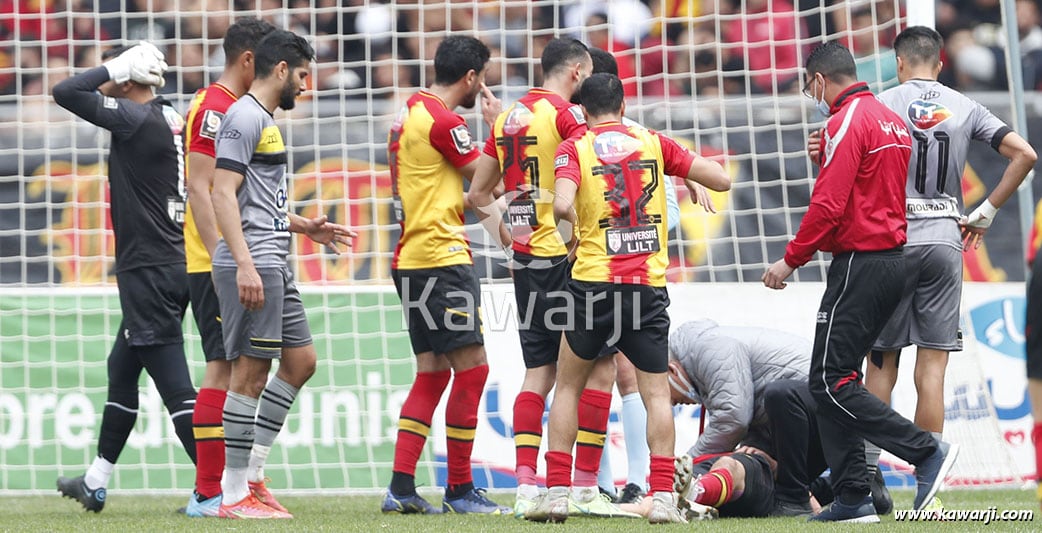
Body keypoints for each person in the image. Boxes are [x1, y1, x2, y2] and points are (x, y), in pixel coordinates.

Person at [762, 41, 955, 522]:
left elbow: (829, 205)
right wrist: (825, 156)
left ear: (820, 80)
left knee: (827, 381)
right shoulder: (889, 118)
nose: (814, 97)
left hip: (861, 263)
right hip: (892, 260)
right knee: (837, 378)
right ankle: (852, 496)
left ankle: (924, 450)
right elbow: (869, 189)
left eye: (810, 87)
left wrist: (790, 260)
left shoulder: (846, 120)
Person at [525, 72, 730, 524]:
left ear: (582, 110)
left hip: (592, 286)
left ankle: (557, 492)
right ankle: (660, 499)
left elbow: (560, 205)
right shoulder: (653, 141)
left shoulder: (573, 147)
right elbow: (720, 179)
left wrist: (572, 235)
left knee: (568, 385)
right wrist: (683, 173)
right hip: (645, 288)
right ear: (623, 104)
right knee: (656, 393)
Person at [852, 26, 1036, 487]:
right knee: (931, 368)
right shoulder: (964, 105)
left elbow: (850, 168)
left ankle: (869, 476)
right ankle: (927, 480)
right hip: (944, 240)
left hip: (893, 242)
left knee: (881, 360)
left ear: (898, 63)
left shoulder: (879, 105)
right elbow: (1025, 154)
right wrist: (987, 211)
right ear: (940, 63)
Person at [469, 38, 637, 519]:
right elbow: (599, 164)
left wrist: (507, 239)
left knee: (539, 372)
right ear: (580, 72)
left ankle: (525, 487)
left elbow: (478, 194)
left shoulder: (507, 120)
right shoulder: (566, 116)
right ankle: (584, 486)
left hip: (527, 262)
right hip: (569, 259)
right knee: (600, 369)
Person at [209, 29, 354, 520]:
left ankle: (253, 475)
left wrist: (303, 225)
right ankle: (231, 495)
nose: (307, 85)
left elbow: (256, 198)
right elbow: (221, 192)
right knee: (249, 374)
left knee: (301, 362)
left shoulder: (265, 120)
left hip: (275, 256)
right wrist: (245, 262)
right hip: (253, 263)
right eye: (303, 74)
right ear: (280, 71)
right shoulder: (243, 116)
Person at [53, 42, 197, 512]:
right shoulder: (170, 116)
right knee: (122, 369)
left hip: (148, 269)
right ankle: (95, 482)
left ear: (128, 78)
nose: (106, 84)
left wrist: (111, 67)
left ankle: (225, 487)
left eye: (114, 76)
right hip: (173, 263)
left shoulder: (132, 118)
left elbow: (66, 90)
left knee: (176, 387)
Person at [381, 35, 509, 516]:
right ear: (471, 77)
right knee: (474, 370)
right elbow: (485, 180)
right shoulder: (443, 120)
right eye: (485, 76)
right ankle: (459, 489)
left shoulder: (410, 110)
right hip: (440, 259)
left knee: (432, 374)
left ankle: (401, 487)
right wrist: (497, 130)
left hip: (412, 259)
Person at [181, 17, 276, 518]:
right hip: (212, 261)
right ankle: (207, 493)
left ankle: (221, 488)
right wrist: (227, 260)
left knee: (235, 368)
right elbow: (200, 187)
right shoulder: (216, 109)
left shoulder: (226, 108)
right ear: (247, 61)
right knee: (223, 370)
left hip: (224, 259)